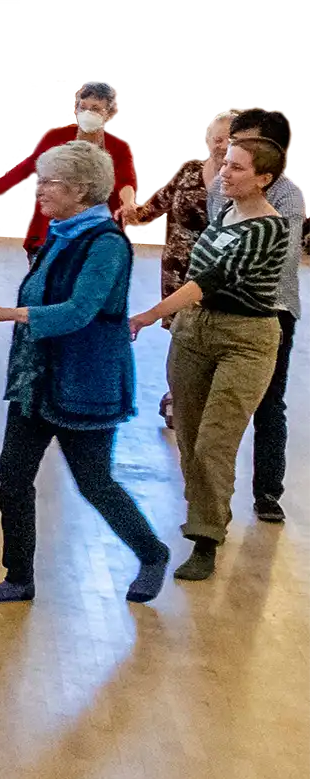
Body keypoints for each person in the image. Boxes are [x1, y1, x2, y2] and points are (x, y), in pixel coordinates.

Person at [0, 141, 170, 606]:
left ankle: (152, 553)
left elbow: (78, 312)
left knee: (94, 482)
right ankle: (19, 578)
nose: (40, 190)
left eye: (49, 181)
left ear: (80, 189)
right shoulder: (59, 231)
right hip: (36, 380)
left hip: (85, 384)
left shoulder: (106, 244)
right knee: (13, 480)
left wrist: (7, 314)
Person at [133, 136, 292, 582]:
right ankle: (205, 513)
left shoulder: (268, 227)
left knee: (214, 443)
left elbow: (210, 279)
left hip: (245, 339)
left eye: (239, 167)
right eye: (226, 163)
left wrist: (147, 316)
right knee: (188, 433)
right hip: (194, 332)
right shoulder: (224, 213)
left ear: (264, 179)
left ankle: (206, 538)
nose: (226, 171)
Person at [210, 109, 301, 523]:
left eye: (242, 140)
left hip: (270, 311)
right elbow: (216, 238)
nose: (230, 147)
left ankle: (267, 491)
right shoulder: (220, 181)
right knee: (214, 413)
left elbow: (277, 254)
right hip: (217, 308)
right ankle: (211, 504)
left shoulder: (288, 196)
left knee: (268, 405)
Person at [137, 110, 234, 426]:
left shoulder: (241, 180)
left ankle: (204, 398)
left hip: (220, 274)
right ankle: (177, 397)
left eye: (231, 138)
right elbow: (157, 204)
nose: (223, 145)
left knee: (211, 334)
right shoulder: (189, 172)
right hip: (178, 271)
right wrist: (129, 216)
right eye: (217, 138)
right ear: (207, 141)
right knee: (180, 337)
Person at [0, 81, 137, 257]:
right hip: (51, 234)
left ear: (109, 114)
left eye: (95, 109)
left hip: (96, 236)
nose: (87, 113)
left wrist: (128, 203)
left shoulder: (119, 147)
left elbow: (126, 181)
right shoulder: (54, 138)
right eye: (82, 107)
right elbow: (28, 166)